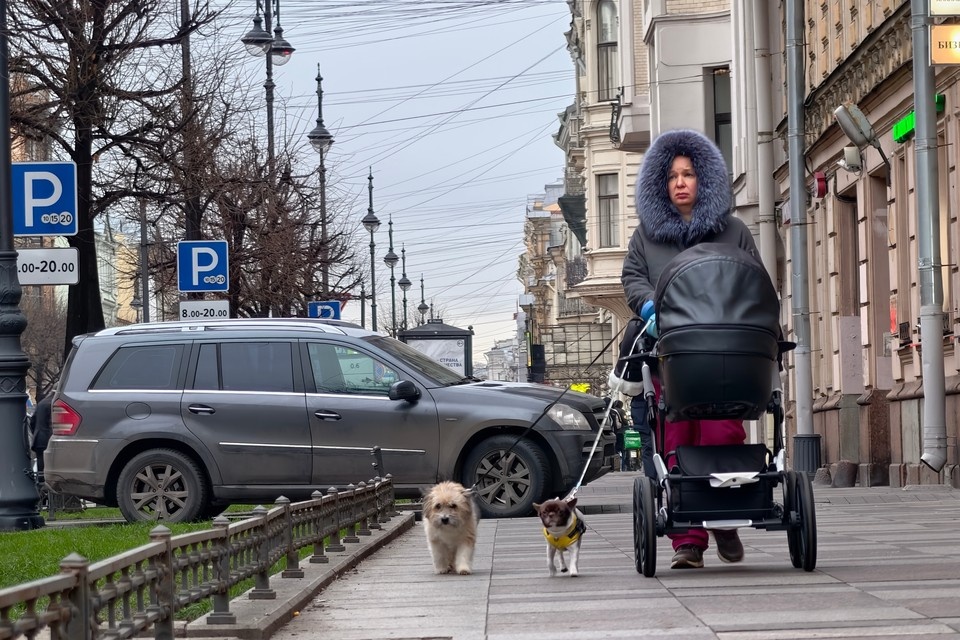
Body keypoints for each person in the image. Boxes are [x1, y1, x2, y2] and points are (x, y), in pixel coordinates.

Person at [621, 128, 761, 570]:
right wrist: (647, 306)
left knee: (722, 433)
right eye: (673, 176)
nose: (681, 182)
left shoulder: (733, 231)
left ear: (705, 181)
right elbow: (633, 277)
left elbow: (753, 279)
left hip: (724, 353)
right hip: (672, 356)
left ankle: (725, 520)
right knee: (677, 438)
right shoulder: (647, 236)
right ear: (661, 185)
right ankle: (688, 541)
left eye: (689, 174)